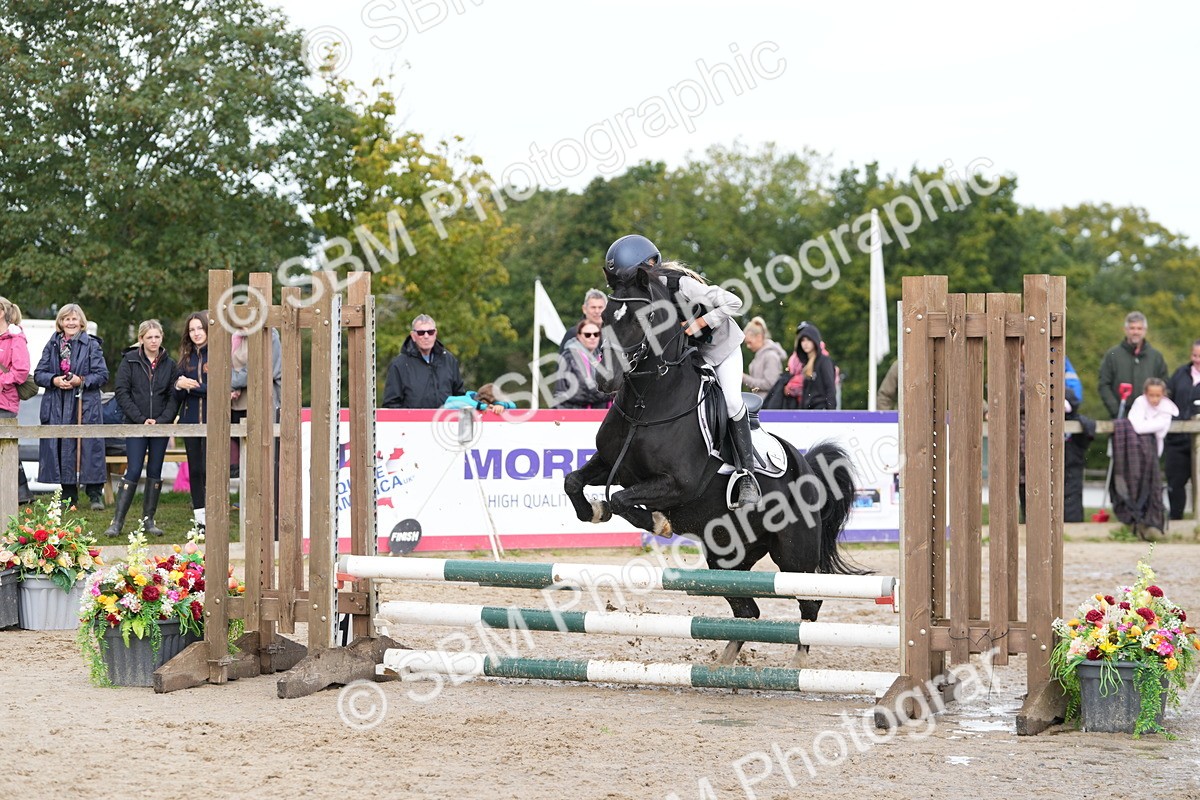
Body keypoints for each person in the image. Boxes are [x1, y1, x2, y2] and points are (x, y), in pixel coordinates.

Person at [604, 234, 760, 506]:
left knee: (732, 401)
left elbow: (734, 302)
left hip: (722, 349)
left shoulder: (682, 284)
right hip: (690, 354)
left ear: (645, 269)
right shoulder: (641, 295)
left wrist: (699, 323)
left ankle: (747, 474)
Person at [106, 320, 179, 537]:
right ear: (141, 339)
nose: (154, 341)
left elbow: (173, 396)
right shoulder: (129, 361)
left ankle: (149, 520)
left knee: (155, 470)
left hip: (160, 426)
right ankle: (117, 522)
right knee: (134, 469)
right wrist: (140, 419)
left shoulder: (170, 364)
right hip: (135, 425)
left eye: (157, 337)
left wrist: (162, 420)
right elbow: (122, 392)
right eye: (149, 337)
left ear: (162, 337)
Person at [34, 304, 108, 510]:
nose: (71, 322)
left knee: (90, 447)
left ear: (81, 322)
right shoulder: (52, 344)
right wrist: (54, 380)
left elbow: (102, 375)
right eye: (66, 319)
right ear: (60, 322)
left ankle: (95, 495)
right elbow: (39, 373)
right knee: (63, 447)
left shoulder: (91, 345)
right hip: (58, 404)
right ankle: (68, 496)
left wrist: (80, 380)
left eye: (74, 319)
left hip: (85, 404)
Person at [382, 315, 465, 409]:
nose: (426, 336)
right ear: (413, 336)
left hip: (444, 418)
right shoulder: (399, 365)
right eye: (421, 333)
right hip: (412, 418)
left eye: (430, 332)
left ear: (435, 333)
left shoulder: (449, 360)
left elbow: (459, 397)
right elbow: (391, 405)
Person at [174, 311, 209, 532]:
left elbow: (218, 388)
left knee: (210, 469)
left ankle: (215, 513)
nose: (196, 333)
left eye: (200, 328)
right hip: (189, 421)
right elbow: (176, 393)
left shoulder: (218, 354)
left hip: (213, 422)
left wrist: (192, 387)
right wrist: (179, 386)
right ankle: (200, 518)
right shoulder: (185, 358)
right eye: (192, 329)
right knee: (195, 470)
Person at [1098, 312, 1169, 418]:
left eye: (1139, 328)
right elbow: (1104, 385)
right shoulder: (1112, 355)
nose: (1136, 332)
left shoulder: (1156, 357)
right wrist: (1116, 411)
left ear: (1145, 330)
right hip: (1121, 416)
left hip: (1149, 417)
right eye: (1132, 328)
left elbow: (1165, 385)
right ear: (1125, 330)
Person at [0, 297, 33, 504]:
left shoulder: (16, 338)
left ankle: (20, 493)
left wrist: (1, 382)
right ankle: (22, 494)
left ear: (1, 312)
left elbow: (21, 371)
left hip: (4, 402)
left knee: (7, 448)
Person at [1164, 339, 1200, 520]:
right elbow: (1166, 398)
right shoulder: (1180, 374)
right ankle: (1176, 521)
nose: (1197, 360)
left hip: (1199, 441)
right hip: (1177, 439)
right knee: (1175, 482)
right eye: (1194, 355)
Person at [553, 320, 612, 409]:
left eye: (596, 334)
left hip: (602, 411)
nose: (592, 337)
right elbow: (576, 391)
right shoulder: (568, 357)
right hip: (575, 412)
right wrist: (608, 393)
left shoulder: (602, 357)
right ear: (579, 336)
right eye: (587, 335)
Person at [784, 322, 837, 410]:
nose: (805, 343)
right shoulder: (805, 364)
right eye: (803, 340)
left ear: (815, 340)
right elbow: (805, 393)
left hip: (821, 410)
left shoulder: (824, 361)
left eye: (809, 340)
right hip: (808, 411)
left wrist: (830, 413)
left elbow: (830, 388)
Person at [741, 317, 786, 396]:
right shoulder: (759, 355)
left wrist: (743, 378)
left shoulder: (771, 356)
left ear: (759, 337)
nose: (748, 346)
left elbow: (770, 384)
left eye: (749, 342)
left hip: (768, 402)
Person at [442, 383, 516, 414]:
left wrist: (500, 405)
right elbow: (449, 401)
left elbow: (513, 405)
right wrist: (480, 406)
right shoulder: (469, 400)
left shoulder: (498, 403)